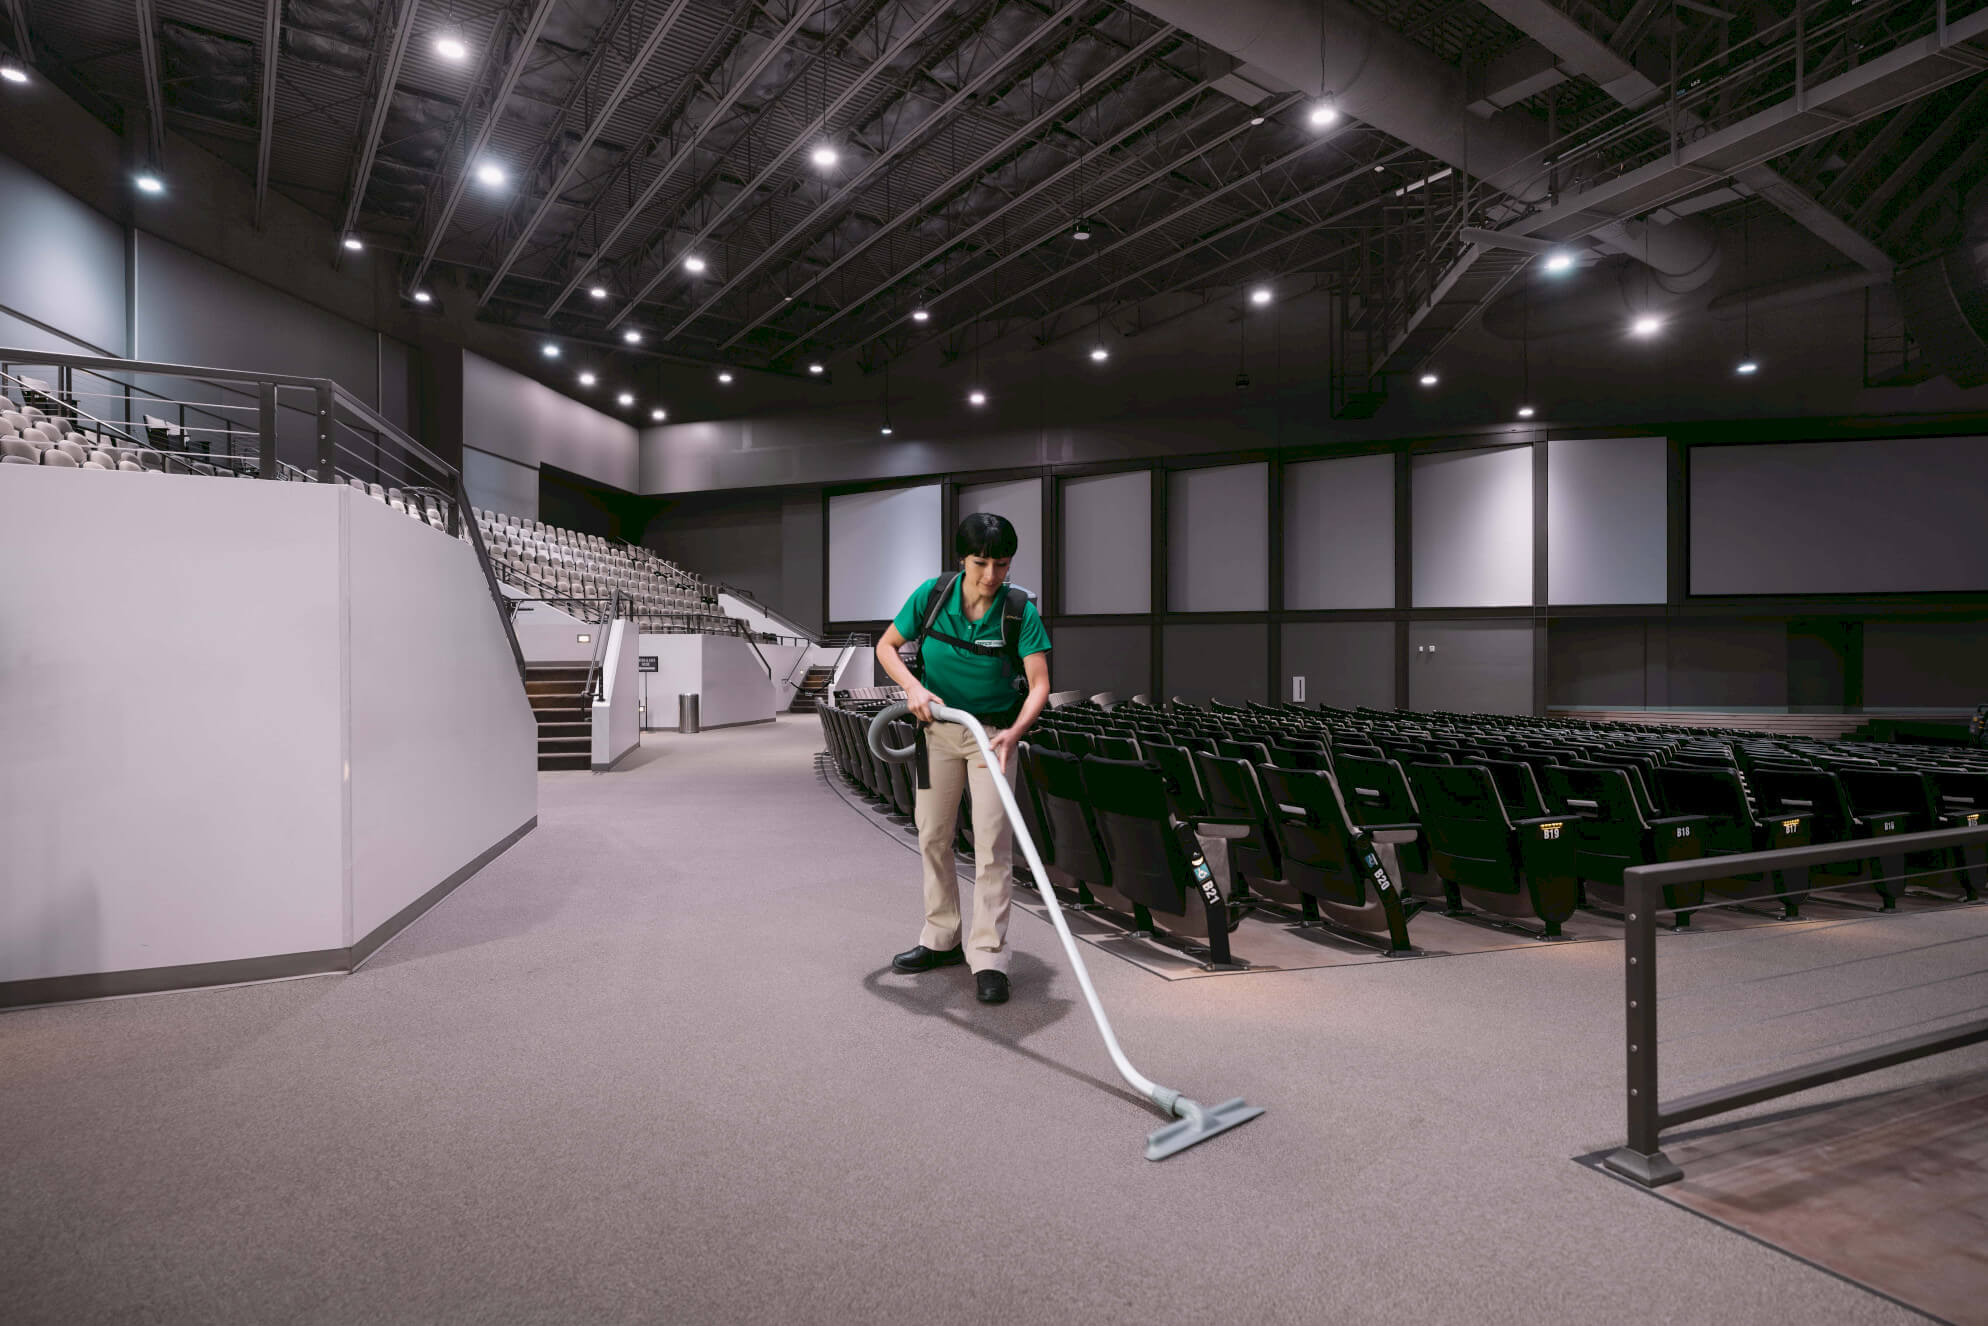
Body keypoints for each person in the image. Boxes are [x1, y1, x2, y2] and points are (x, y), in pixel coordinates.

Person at [873, 513, 1052, 1004]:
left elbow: (1040, 684)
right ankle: (941, 937)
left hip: (992, 737)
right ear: (962, 559)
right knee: (932, 835)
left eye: (1002, 564)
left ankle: (989, 955)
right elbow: (887, 646)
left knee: (992, 843)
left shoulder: (1018, 611)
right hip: (937, 732)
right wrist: (912, 687)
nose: (992, 575)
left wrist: (1016, 731)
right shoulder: (932, 596)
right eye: (981, 563)